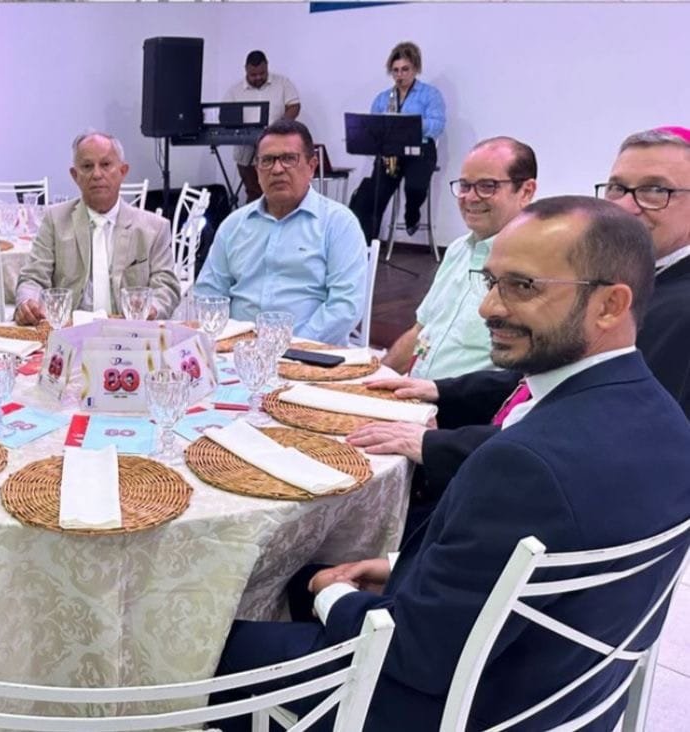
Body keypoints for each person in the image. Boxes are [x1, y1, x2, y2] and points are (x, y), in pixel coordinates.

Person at [214, 196, 690, 731]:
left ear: (610, 305)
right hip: (565, 694)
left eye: (522, 286)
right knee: (295, 579)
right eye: (491, 282)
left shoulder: (524, 462)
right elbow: (541, 562)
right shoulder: (667, 422)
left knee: (203, 640)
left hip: (452, 709)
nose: (488, 307)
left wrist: (335, 595)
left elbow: (412, 653)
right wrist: (401, 568)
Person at [351, 127, 690, 529]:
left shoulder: (675, 309)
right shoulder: (637, 275)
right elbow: (542, 377)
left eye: (655, 190)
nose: (626, 206)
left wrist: (438, 445)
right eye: (617, 188)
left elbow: (600, 439)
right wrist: (441, 389)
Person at [193, 119, 366, 344]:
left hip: (310, 353)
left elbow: (345, 307)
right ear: (257, 170)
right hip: (237, 350)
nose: (277, 169)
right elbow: (208, 293)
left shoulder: (338, 224)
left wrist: (290, 347)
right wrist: (227, 340)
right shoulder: (234, 225)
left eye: (288, 159)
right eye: (267, 160)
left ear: (312, 166)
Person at [382, 137, 538, 378]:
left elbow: (522, 376)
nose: (471, 197)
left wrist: (434, 393)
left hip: (466, 401)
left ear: (526, 191)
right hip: (413, 393)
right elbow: (420, 331)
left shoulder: (537, 265)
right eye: (465, 186)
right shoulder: (457, 250)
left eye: (487, 186)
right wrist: (373, 380)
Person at [14, 131, 180, 323]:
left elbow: (166, 286)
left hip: (130, 329)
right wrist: (27, 302)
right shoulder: (55, 220)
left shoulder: (154, 229)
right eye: (87, 166)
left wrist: (152, 308)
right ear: (75, 175)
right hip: (69, 331)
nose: (97, 174)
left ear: (123, 171)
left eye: (106, 164)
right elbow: (33, 277)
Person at [347, 41, 447, 241]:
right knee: (373, 196)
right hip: (390, 153)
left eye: (405, 69)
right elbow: (373, 128)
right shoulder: (383, 98)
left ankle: (412, 214)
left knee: (415, 187)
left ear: (415, 69)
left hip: (420, 151)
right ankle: (366, 245)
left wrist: (410, 125)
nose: (400, 75)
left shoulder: (430, 94)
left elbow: (437, 125)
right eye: (395, 71)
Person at [223, 50, 301, 204]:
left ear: (267, 67)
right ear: (245, 69)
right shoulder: (234, 91)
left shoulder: (283, 83)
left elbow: (294, 106)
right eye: (253, 74)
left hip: (276, 149)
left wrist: (279, 127)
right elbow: (225, 116)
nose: (258, 77)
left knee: (276, 191)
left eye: (262, 73)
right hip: (246, 153)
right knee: (254, 193)